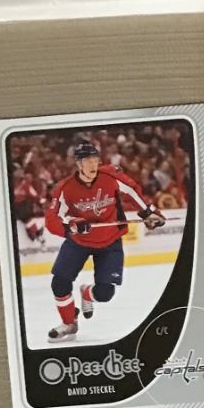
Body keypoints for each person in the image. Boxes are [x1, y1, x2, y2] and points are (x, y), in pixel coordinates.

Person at [41, 139, 165, 340]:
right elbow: (52, 219)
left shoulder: (110, 177)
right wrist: (70, 227)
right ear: (78, 163)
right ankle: (69, 323)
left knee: (105, 293)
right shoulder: (65, 188)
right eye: (87, 161)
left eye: (95, 160)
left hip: (110, 241)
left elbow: (133, 191)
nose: (92, 164)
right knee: (60, 283)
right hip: (78, 242)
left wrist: (149, 213)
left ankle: (87, 293)